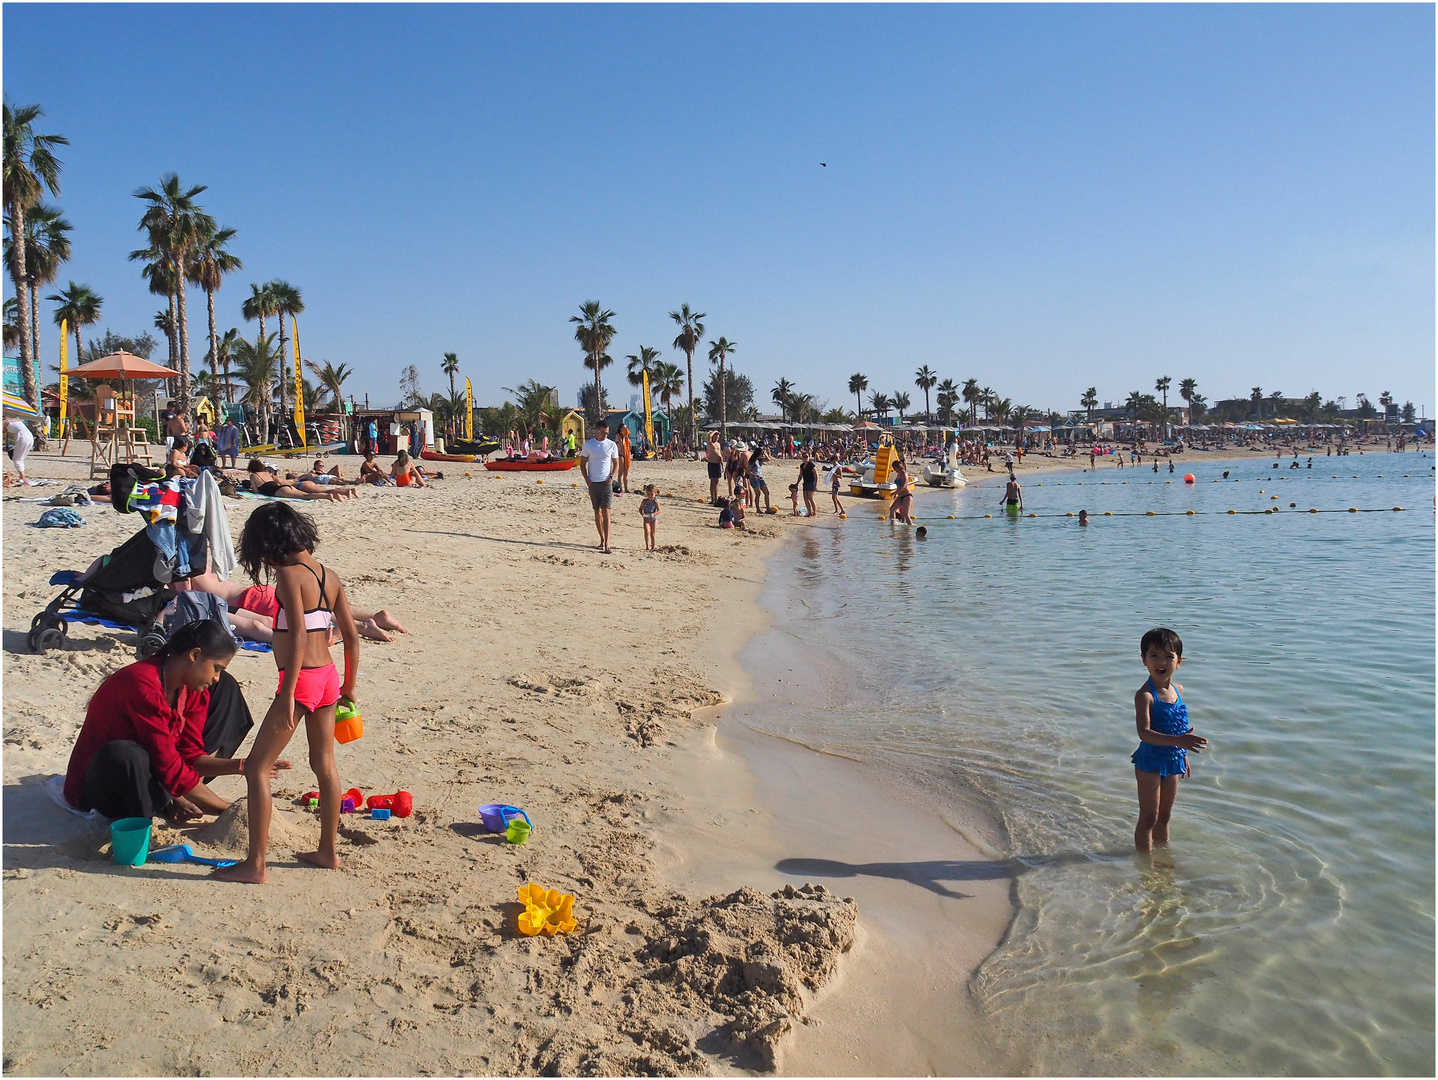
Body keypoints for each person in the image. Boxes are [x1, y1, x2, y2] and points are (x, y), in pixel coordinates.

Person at [216, 502, 361, 883]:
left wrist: (286, 693)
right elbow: (351, 634)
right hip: (328, 676)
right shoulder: (330, 575)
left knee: (257, 768)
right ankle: (328, 851)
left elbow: (296, 635)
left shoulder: (289, 576)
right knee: (324, 765)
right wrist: (349, 685)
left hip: (301, 682)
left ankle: (255, 865)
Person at [62, 620, 286, 822]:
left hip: (156, 771)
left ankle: (170, 797)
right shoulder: (142, 683)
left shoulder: (192, 689)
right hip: (104, 785)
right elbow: (167, 762)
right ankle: (165, 801)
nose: (216, 676)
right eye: (215, 668)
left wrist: (244, 766)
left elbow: (190, 755)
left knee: (226, 686)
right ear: (194, 655)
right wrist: (228, 811)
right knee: (128, 755)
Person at [1131, 627, 1207, 853]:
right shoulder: (1145, 696)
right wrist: (1179, 741)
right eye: (1154, 655)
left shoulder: (1178, 690)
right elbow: (1143, 732)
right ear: (1144, 660)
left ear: (1179, 661)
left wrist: (1182, 752)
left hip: (1173, 760)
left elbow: (1180, 725)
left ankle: (1163, 859)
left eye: (1168, 656)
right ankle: (1145, 866)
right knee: (1149, 817)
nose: (1161, 662)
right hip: (1150, 762)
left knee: (1164, 816)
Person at [181, 570, 408, 644]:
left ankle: (360, 626)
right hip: (258, 592)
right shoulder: (204, 565)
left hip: (253, 603)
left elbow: (185, 596)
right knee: (323, 606)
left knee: (314, 614)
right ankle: (377, 616)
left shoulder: (185, 575)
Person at [580, 418, 619, 553]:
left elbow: (616, 463)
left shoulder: (611, 445)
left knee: (606, 512)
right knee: (597, 512)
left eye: (607, 433)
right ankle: (602, 539)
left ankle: (608, 542)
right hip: (593, 482)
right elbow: (582, 464)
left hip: (606, 482)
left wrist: (611, 477)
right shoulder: (589, 445)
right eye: (603, 433)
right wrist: (587, 479)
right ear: (597, 431)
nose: (605, 435)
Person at [247, 460, 354, 501]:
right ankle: (336, 494)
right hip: (284, 487)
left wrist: (251, 491)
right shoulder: (267, 473)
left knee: (305, 496)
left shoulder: (253, 476)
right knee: (308, 494)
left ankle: (327, 496)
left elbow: (256, 491)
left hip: (278, 491)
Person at [746, 445, 772, 513]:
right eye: (761, 454)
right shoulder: (752, 461)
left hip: (760, 478)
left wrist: (765, 453)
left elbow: (768, 459)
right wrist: (754, 475)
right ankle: (758, 509)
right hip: (754, 478)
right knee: (758, 493)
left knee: (766, 492)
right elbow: (747, 471)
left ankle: (768, 508)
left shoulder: (759, 460)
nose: (762, 455)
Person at [886, 453, 911, 523]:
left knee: (906, 514)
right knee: (892, 509)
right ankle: (892, 526)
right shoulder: (898, 474)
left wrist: (895, 492)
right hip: (900, 496)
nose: (894, 470)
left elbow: (903, 485)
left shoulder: (904, 473)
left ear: (898, 467)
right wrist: (896, 494)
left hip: (907, 496)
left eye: (895, 468)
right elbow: (898, 486)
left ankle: (909, 530)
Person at [639, 483, 660, 551]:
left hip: (653, 519)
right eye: (648, 494)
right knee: (646, 532)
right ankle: (647, 546)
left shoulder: (655, 501)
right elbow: (640, 509)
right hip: (646, 519)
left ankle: (653, 546)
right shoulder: (644, 501)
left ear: (655, 494)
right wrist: (642, 514)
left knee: (652, 533)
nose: (650, 496)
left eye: (652, 494)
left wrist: (654, 514)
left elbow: (659, 510)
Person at [705, 431, 724, 504]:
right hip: (712, 463)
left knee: (716, 481)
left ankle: (715, 498)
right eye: (715, 437)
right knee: (712, 481)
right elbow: (709, 435)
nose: (716, 438)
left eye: (717, 437)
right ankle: (713, 498)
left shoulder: (718, 444)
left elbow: (720, 455)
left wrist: (722, 465)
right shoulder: (710, 444)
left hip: (718, 464)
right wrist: (715, 431)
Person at [799, 454, 820, 518]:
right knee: (805, 498)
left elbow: (816, 475)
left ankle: (815, 513)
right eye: (804, 457)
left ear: (809, 457)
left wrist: (816, 484)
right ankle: (809, 512)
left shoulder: (811, 465)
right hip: (805, 482)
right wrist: (797, 483)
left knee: (810, 498)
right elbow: (800, 475)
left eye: (806, 457)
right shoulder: (802, 465)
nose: (805, 458)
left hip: (811, 482)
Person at [615, 424, 633, 494]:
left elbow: (629, 443)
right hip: (621, 455)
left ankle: (626, 488)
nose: (625, 430)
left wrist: (626, 436)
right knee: (621, 473)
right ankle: (621, 488)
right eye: (623, 428)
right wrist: (624, 436)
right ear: (620, 429)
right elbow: (622, 444)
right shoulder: (618, 436)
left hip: (627, 455)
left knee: (626, 473)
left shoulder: (626, 437)